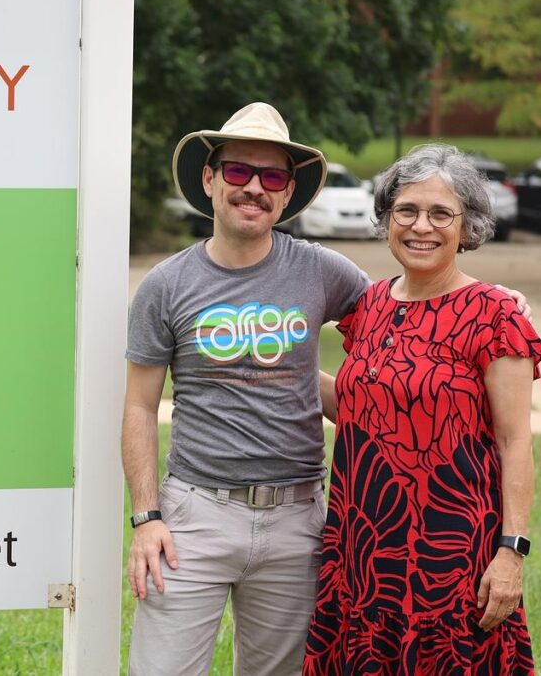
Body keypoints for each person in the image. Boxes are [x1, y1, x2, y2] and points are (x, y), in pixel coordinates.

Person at [124, 102, 371, 675]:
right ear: (209, 179)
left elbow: (394, 336)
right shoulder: (166, 285)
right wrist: (146, 517)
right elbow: (139, 406)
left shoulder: (323, 272)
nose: (254, 188)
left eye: (272, 177)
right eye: (238, 171)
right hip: (194, 518)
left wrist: (477, 303)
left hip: (297, 520)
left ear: (287, 194)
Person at [303, 144, 541, 674]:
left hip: (451, 556)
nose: (422, 227)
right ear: (387, 218)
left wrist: (512, 550)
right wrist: (276, 371)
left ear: (468, 226)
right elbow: (359, 409)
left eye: (441, 214)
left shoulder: (494, 314)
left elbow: (514, 441)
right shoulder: (370, 307)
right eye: (407, 211)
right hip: (362, 548)